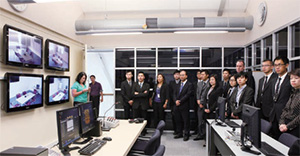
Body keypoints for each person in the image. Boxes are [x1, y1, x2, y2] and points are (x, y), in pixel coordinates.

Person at [270, 56, 292, 139]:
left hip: (286, 117)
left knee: (284, 140)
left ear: (286, 65)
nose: (277, 67)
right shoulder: (274, 80)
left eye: (279, 65)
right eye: (275, 65)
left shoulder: (291, 79)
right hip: (274, 115)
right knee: (275, 138)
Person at [194, 74, 222, 141]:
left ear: (216, 80)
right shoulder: (208, 88)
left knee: (212, 126)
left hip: (212, 110)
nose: (211, 81)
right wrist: (204, 107)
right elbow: (205, 98)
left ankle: (211, 141)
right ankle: (206, 139)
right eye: (210, 80)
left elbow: (217, 101)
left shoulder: (219, 89)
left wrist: (210, 109)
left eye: (212, 79)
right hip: (206, 109)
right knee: (205, 125)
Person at [279, 68, 300, 138]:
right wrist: (281, 122)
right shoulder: (294, 92)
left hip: (296, 128)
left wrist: (288, 126)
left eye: (296, 78)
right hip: (286, 125)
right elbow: (286, 109)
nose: (293, 80)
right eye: (291, 78)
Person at [173, 70, 193, 141]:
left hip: (184, 105)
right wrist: (175, 100)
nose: (181, 76)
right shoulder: (178, 84)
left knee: (186, 121)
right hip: (177, 105)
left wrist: (180, 101)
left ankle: (186, 134)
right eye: (180, 75)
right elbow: (174, 93)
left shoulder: (189, 84)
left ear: (186, 76)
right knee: (178, 120)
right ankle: (179, 133)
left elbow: (188, 94)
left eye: (183, 75)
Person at [194, 70, 210, 141]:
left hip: (207, 105)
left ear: (207, 75)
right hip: (199, 105)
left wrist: (202, 103)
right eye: (201, 74)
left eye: (203, 74)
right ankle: (200, 134)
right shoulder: (199, 83)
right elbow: (197, 92)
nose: (202, 76)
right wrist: (198, 100)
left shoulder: (210, 83)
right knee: (200, 121)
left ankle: (206, 136)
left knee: (206, 122)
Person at [169, 70, 181, 135]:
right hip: (173, 103)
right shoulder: (171, 83)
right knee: (174, 117)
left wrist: (178, 100)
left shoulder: (181, 83)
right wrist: (174, 100)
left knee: (180, 118)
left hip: (180, 102)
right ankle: (175, 130)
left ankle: (180, 131)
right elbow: (170, 93)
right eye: (175, 74)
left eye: (178, 74)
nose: (176, 76)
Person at [192, 70, 202, 135]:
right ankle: (196, 130)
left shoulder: (205, 83)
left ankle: (200, 132)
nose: (199, 75)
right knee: (196, 117)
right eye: (198, 74)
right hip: (195, 103)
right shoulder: (194, 83)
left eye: (200, 74)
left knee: (201, 119)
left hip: (202, 103)